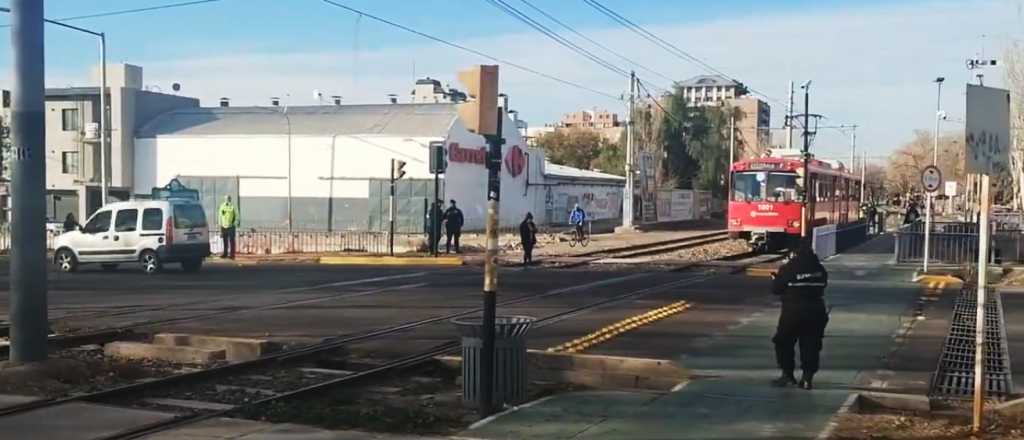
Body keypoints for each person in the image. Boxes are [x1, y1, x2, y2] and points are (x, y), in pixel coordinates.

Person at [770, 240, 829, 390]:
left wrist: (775, 279)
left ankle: (787, 375)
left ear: (794, 253)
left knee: (783, 342)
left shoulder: (788, 268)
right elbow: (823, 285)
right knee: (811, 344)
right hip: (816, 311)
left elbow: (777, 289)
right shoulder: (820, 269)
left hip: (793, 311)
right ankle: (807, 379)